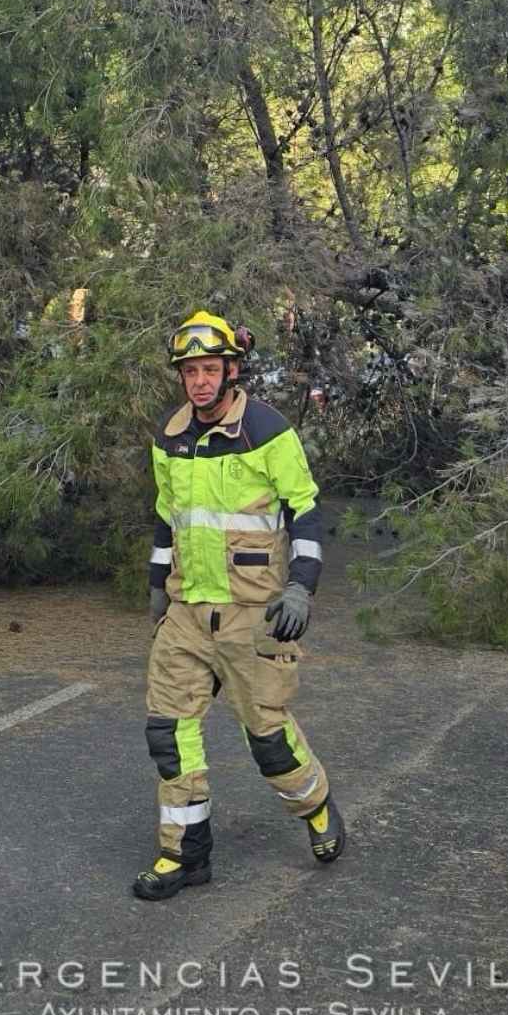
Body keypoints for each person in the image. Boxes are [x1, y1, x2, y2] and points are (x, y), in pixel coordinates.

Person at [134, 311, 342, 901]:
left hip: (255, 615)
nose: (198, 381)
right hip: (186, 613)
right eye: (189, 371)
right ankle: (183, 855)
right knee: (169, 735)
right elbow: (167, 516)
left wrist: (301, 585)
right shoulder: (169, 435)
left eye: (209, 370)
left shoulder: (268, 430)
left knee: (268, 741)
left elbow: (304, 511)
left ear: (231, 370)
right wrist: (156, 587)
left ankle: (317, 806)